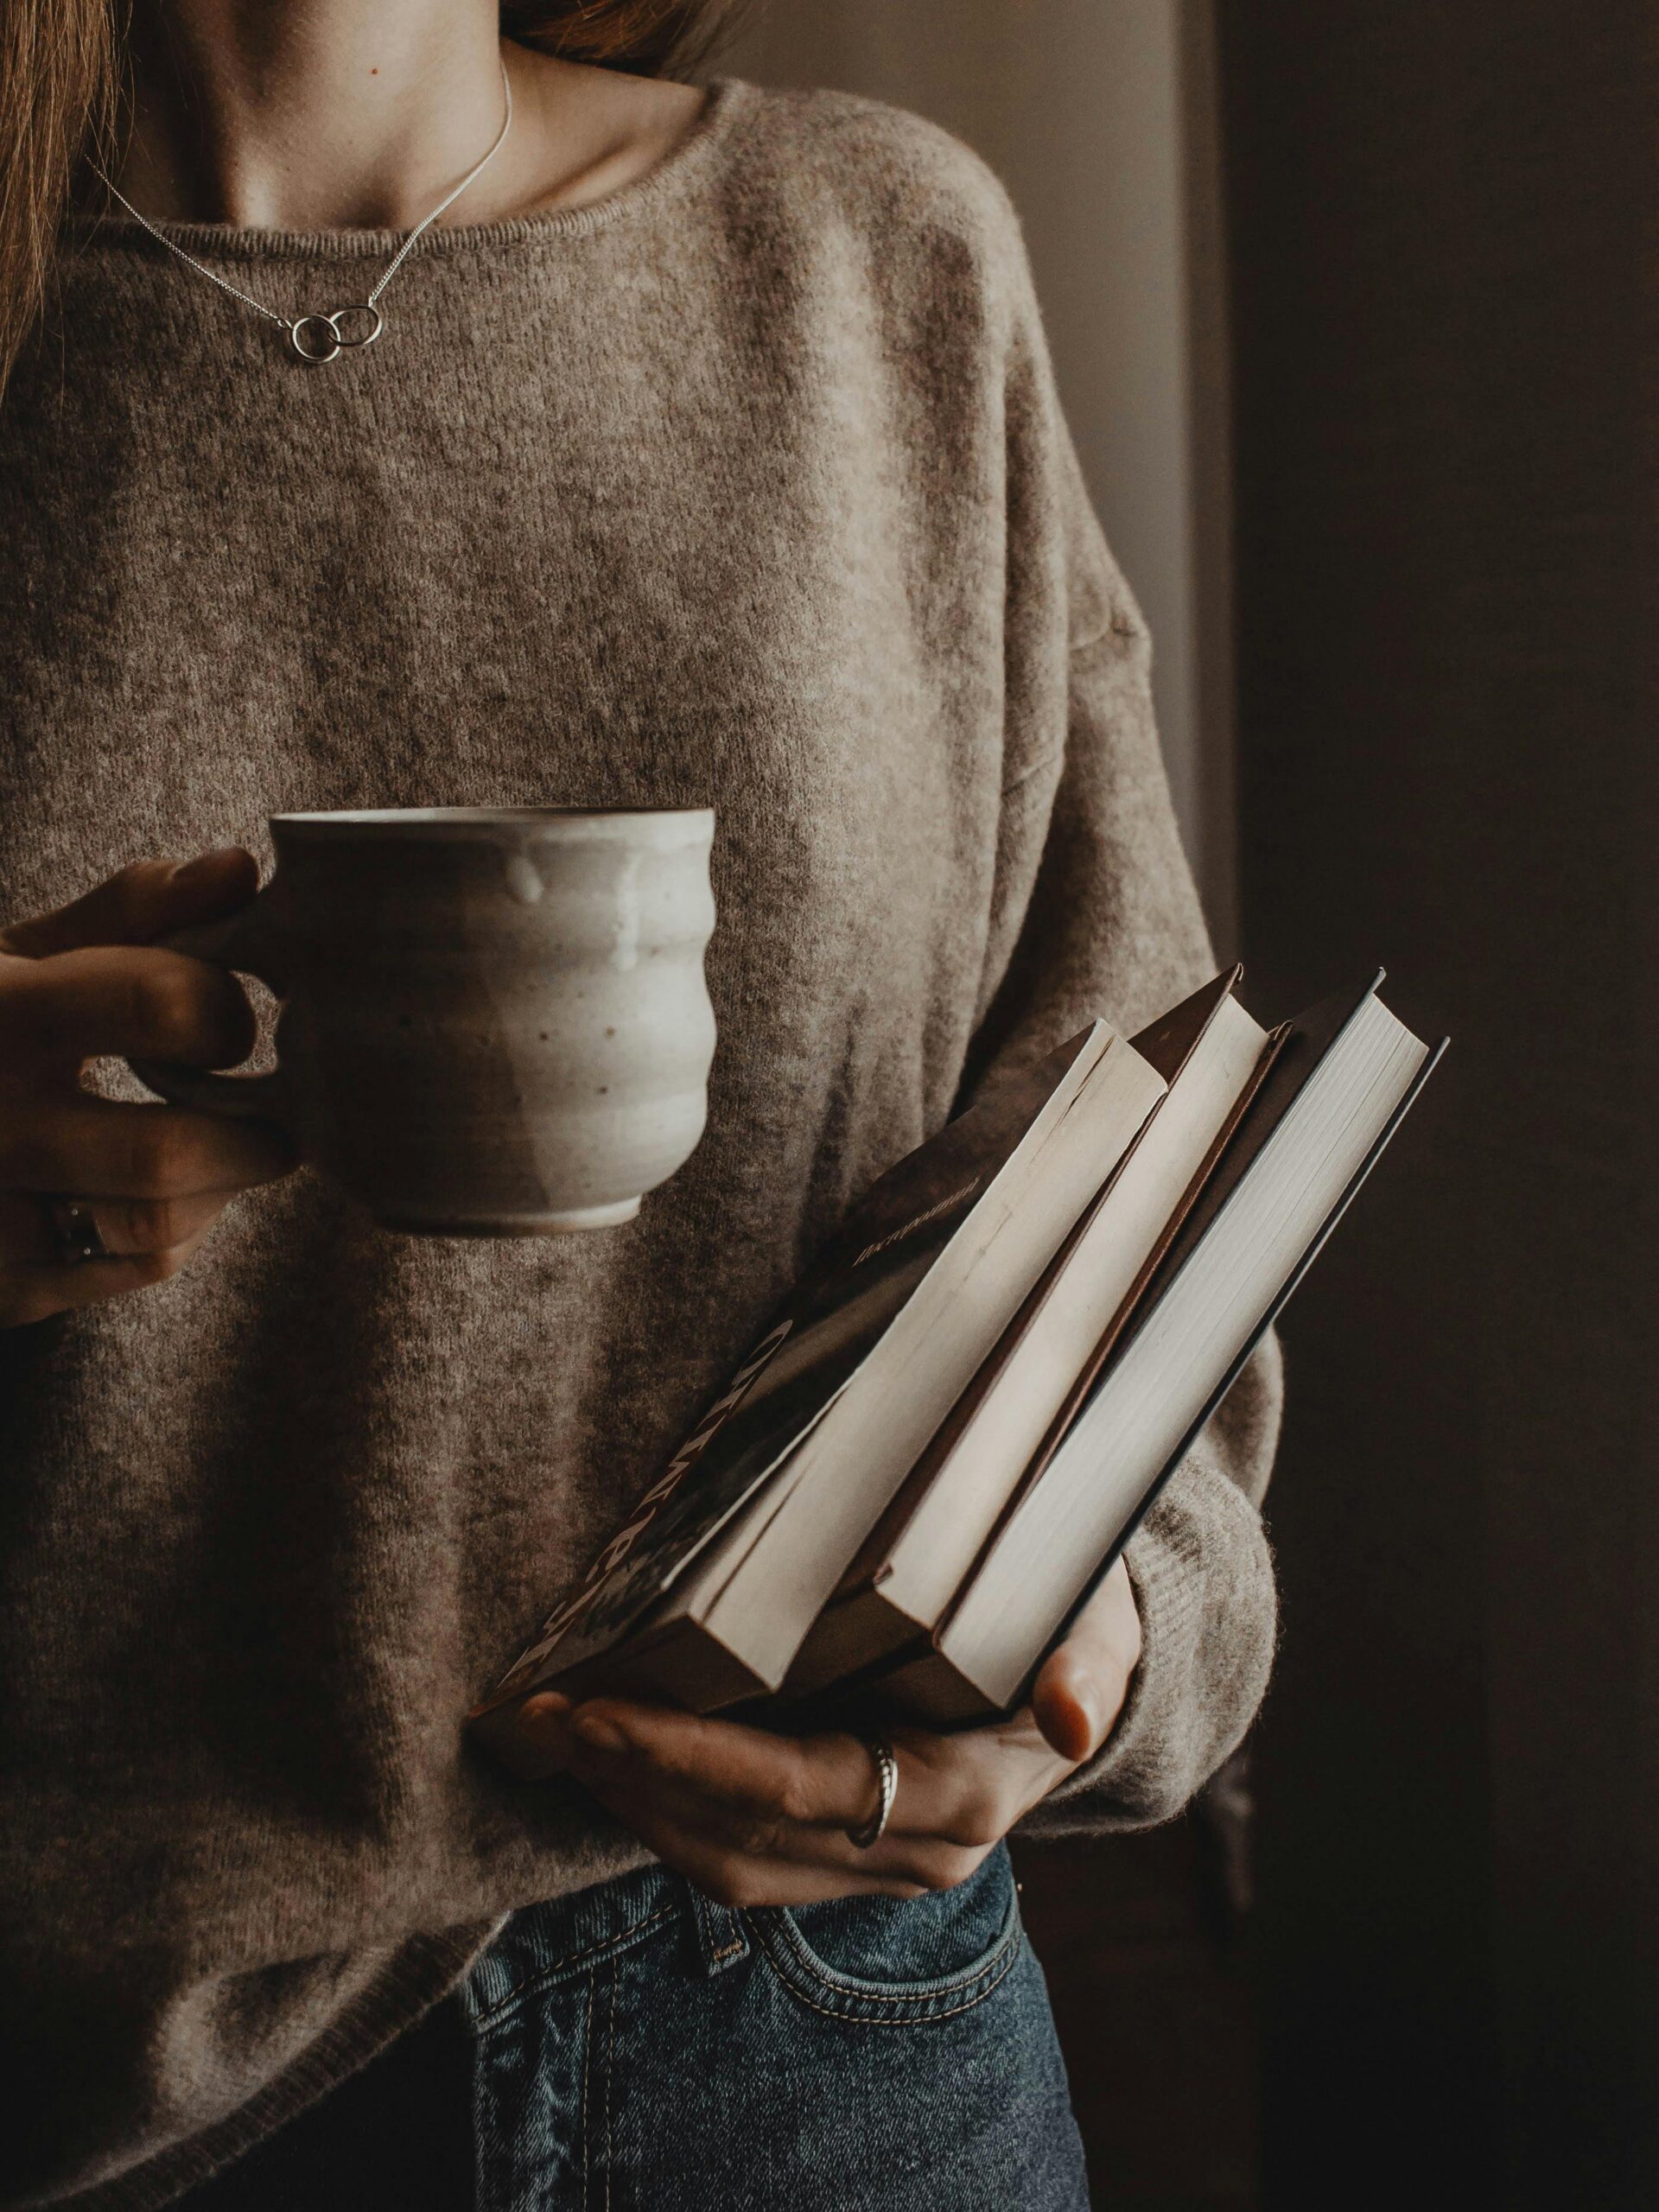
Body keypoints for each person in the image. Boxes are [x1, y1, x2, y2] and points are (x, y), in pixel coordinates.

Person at [0, 3, 1281, 2206]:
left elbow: (1138, 1188)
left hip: (829, 2036)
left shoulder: (882, 261)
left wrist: (1095, 1630)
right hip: (107, 2100)